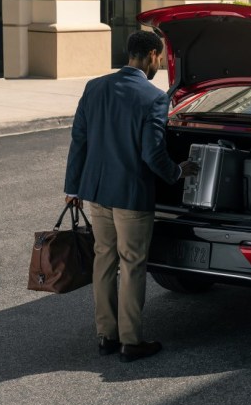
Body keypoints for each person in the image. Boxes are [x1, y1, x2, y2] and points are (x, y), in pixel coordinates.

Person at [64, 30, 198, 362]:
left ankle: (106, 335)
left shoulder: (94, 87)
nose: (159, 63)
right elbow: (153, 154)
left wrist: (73, 189)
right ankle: (131, 341)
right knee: (133, 265)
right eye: (160, 57)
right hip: (131, 196)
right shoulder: (153, 97)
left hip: (98, 193)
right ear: (152, 55)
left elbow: (78, 140)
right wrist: (179, 172)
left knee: (105, 261)